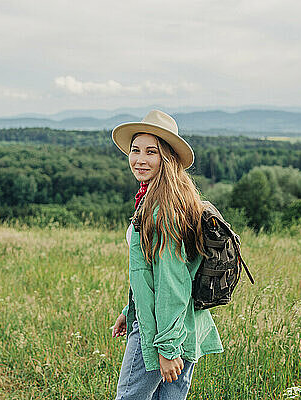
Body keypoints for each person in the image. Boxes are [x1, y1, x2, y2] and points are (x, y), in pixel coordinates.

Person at [110, 110, 223, 400]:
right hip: (185, 327)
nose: (140, 159)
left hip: (161, 334)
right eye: (135, 150)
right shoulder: (170, 197)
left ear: (167, 158)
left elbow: (172, 282)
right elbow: (152, 272)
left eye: (151, 152)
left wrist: (167, 348)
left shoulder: (164, 209)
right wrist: (129, 310)